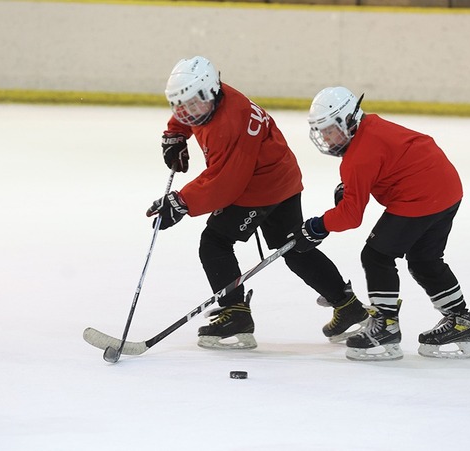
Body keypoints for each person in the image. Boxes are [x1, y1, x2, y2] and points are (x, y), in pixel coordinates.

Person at [146, 56, 369, 350]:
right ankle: (347, 305)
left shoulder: (229, 123)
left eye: (193, 104)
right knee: (293, 245)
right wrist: (175, 134)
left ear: (211, 91)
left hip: (261, 187)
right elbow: (188, 112)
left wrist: (181, 202)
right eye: (181, 105)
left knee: (214, 242)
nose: (187, 112)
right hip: (282, 177)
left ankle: (235, 315)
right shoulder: (211, 96)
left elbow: (224, 183)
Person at [291, 86, 470, 361]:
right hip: (447, 187)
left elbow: (352, 216)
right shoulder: (371, 126)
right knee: (425, 260)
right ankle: (460, 322)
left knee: (376, 254)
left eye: (330, 129)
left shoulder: (358, 156)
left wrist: (318, 226)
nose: (326, 138)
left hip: (422, 195)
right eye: (322, 131)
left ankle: (385, 326)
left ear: (348, 120)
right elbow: (388, 167)